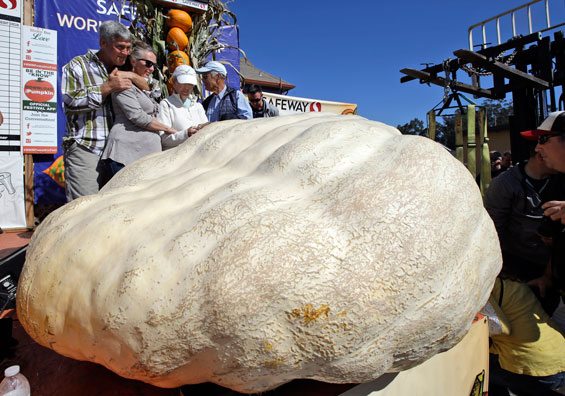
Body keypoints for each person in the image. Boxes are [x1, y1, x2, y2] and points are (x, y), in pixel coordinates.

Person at [61, 20, 149, 202]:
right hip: (88, 149)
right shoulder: (78, 66)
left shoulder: (125, 68)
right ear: (103, 43)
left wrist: (132, 75)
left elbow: (152, 90)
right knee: (83, 209)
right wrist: (107, 87)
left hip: (119, 152)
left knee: (117, 208)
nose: (125, 52)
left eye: (128, 48)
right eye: (120, 47)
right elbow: (70, 101)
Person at [101, 41, 177, 176]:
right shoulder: (123, 85)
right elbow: (138, 116)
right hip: (126, 155)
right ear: (133, 61)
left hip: (146, 157)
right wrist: (166, 128)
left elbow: (155, 87)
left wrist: (131, 75)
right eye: (148, 63)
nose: (152, 68)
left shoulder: (147, 87)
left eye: (154, 65)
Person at [484, 144, 558, 282]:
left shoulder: (559, 180)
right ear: (541, 155)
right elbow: (493, 232)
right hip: (517, 267)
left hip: (551, 264)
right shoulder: (505, 184)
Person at [484, 277, 565, 396]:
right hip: (559, 359)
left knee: (474, 365)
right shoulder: (512, 286)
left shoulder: (482, 294)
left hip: (539, 369)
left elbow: (501, 328)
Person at [157, 65, 208, 150]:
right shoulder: (166, 105)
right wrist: (185, 134)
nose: (187, 88)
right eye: (183, 83)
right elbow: (163, 139)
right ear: (173, 82)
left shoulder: (198, 106)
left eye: (190, 84)